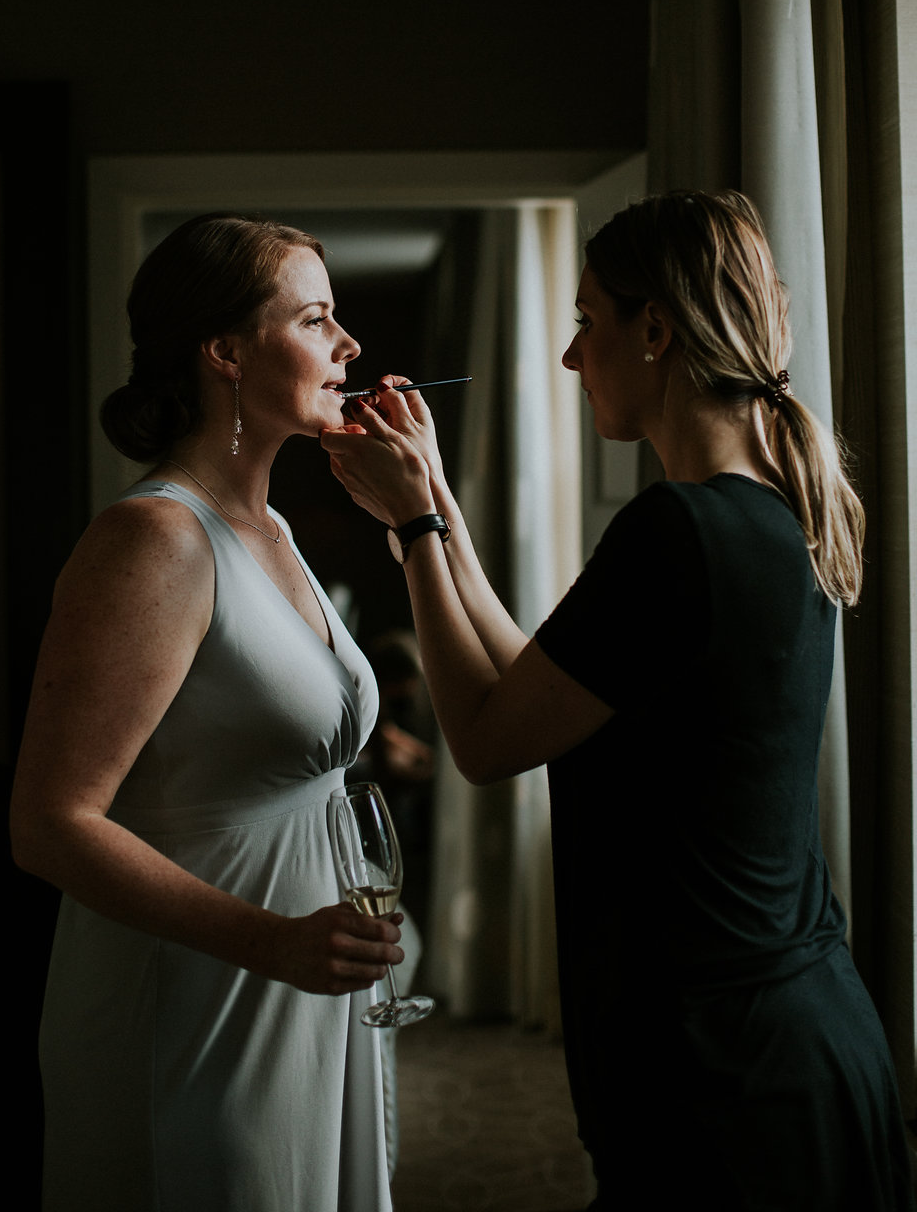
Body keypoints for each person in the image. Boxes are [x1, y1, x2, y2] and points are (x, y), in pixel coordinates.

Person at [321, 191, 915, 1210]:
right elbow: (539, 682)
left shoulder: (676, 530)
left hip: (727, 1076)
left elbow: (485, 740)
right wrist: (436, 506)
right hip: (790, 1037)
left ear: (656, 330)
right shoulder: (764, 511)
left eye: (586, 320)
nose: (569, 356)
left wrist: (416, 531)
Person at [10, 214, 401, 1212]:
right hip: (196, 993)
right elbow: (50, 824)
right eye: (314, 319)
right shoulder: (154, 541)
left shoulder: (273, 527)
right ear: (224, 352)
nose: (349, 344)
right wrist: (270, 942)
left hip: (304, 980)